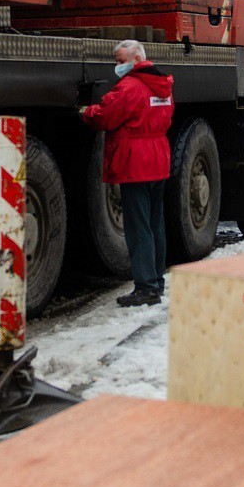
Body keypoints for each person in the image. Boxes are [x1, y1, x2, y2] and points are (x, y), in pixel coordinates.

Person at [81, 40, 174, 307]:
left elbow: (105, 116)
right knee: (155, 224)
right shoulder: (163, 86)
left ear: (136, 60)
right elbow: (166, 118)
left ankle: (145, 288)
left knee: (138, 227)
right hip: (158, 159)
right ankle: (156, 281)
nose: (116, 66)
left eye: (120, 61)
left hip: (136, 163)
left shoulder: (129, 87)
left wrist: (86, 112)